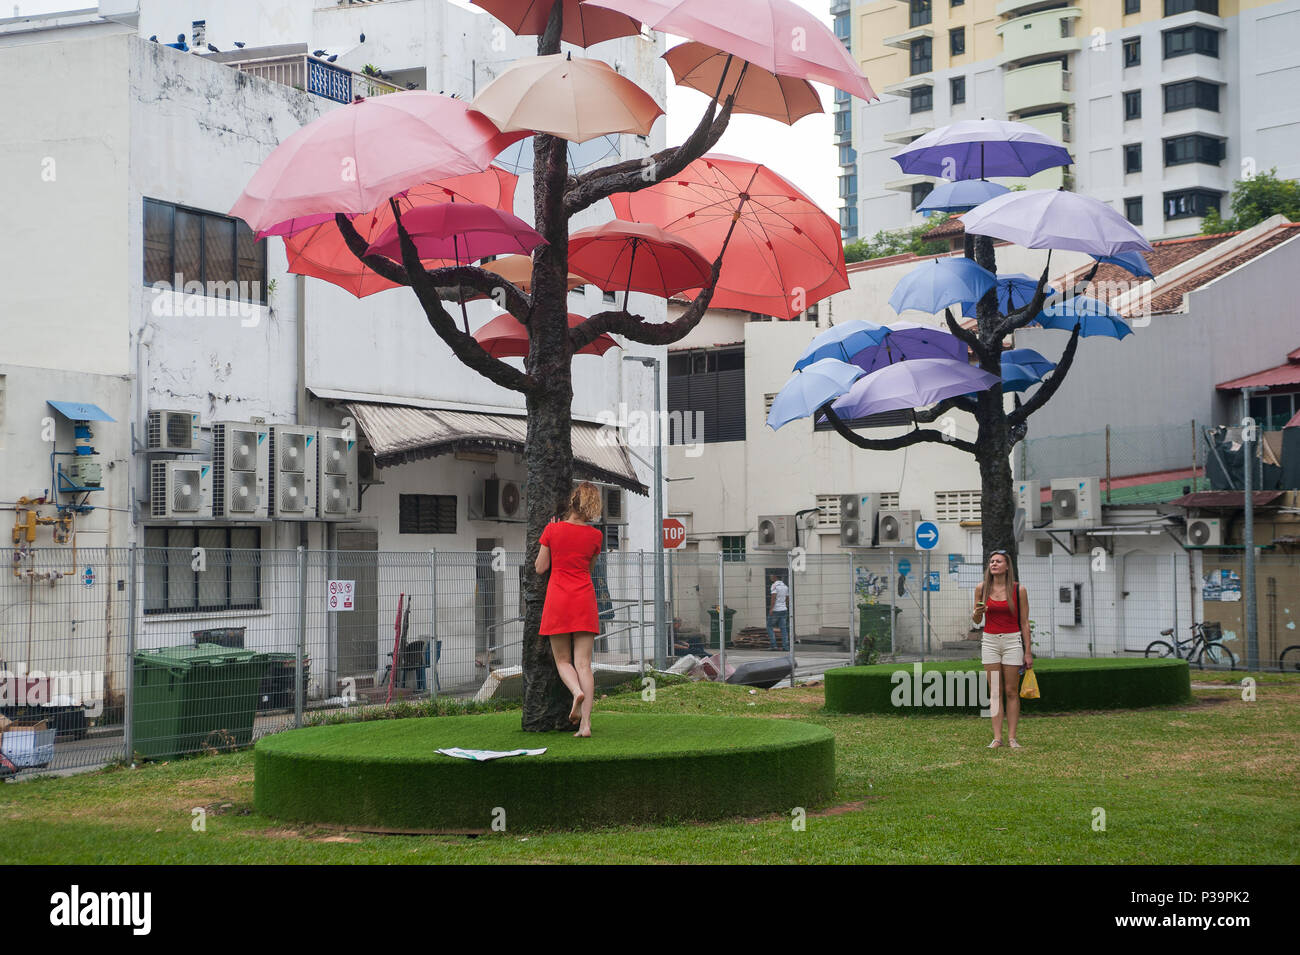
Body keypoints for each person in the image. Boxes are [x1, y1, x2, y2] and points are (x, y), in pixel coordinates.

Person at [535, 482, 603, 737]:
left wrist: (549, 536)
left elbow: (540, 567)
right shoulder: (595, 536)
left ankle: (576, 692)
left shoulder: (552, 530)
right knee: (584, 664)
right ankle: (585, 725)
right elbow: (589, 568)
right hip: (584, 600)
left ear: (572, 500)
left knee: (563, 661)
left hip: (558, 600)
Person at [971, 549, 1033, 749]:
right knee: (995, 691)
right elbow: (977, 620)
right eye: (991, 561)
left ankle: (1012, 738)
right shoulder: (981, 588)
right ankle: (997, 738)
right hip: (989, 641)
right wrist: (976, 613)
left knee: (1012, 691)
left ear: (1007, 566)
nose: (994, 564)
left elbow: (1024, 622)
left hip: (1012, 641)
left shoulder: (1018, 590)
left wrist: (1028, 651)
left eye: (998, 561)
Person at [768, 575, 790, 651]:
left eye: (771, 576)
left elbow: (773, 598)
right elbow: (787, 598)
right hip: (784, 610)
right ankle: (785, 646)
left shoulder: (774, 585)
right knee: (783, 628)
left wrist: (771, 609)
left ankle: (774, 645)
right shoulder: (785, 586)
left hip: (776, 610)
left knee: (769, 626)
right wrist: (785, 605)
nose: (770, 577)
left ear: (775, 576)